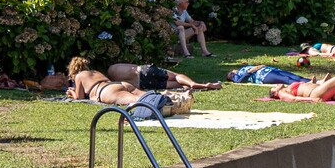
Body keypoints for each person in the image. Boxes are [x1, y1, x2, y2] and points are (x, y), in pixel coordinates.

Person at [65, 57, 193, 117]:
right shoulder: (95, 72)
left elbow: (79, 98)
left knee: (139, 101)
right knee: (146, 95)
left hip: (105, 91)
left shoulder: (79, 76)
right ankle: (176, 96)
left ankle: (176, 104)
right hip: (118, 84)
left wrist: (72, 93)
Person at [106, 60, 220, 91]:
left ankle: (202, 86)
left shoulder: (114, 81)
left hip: (143, 84)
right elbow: (134, 66)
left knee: (177, 84)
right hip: (144, 71)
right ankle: (193, 83)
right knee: (176, 76)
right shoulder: (114, 66)